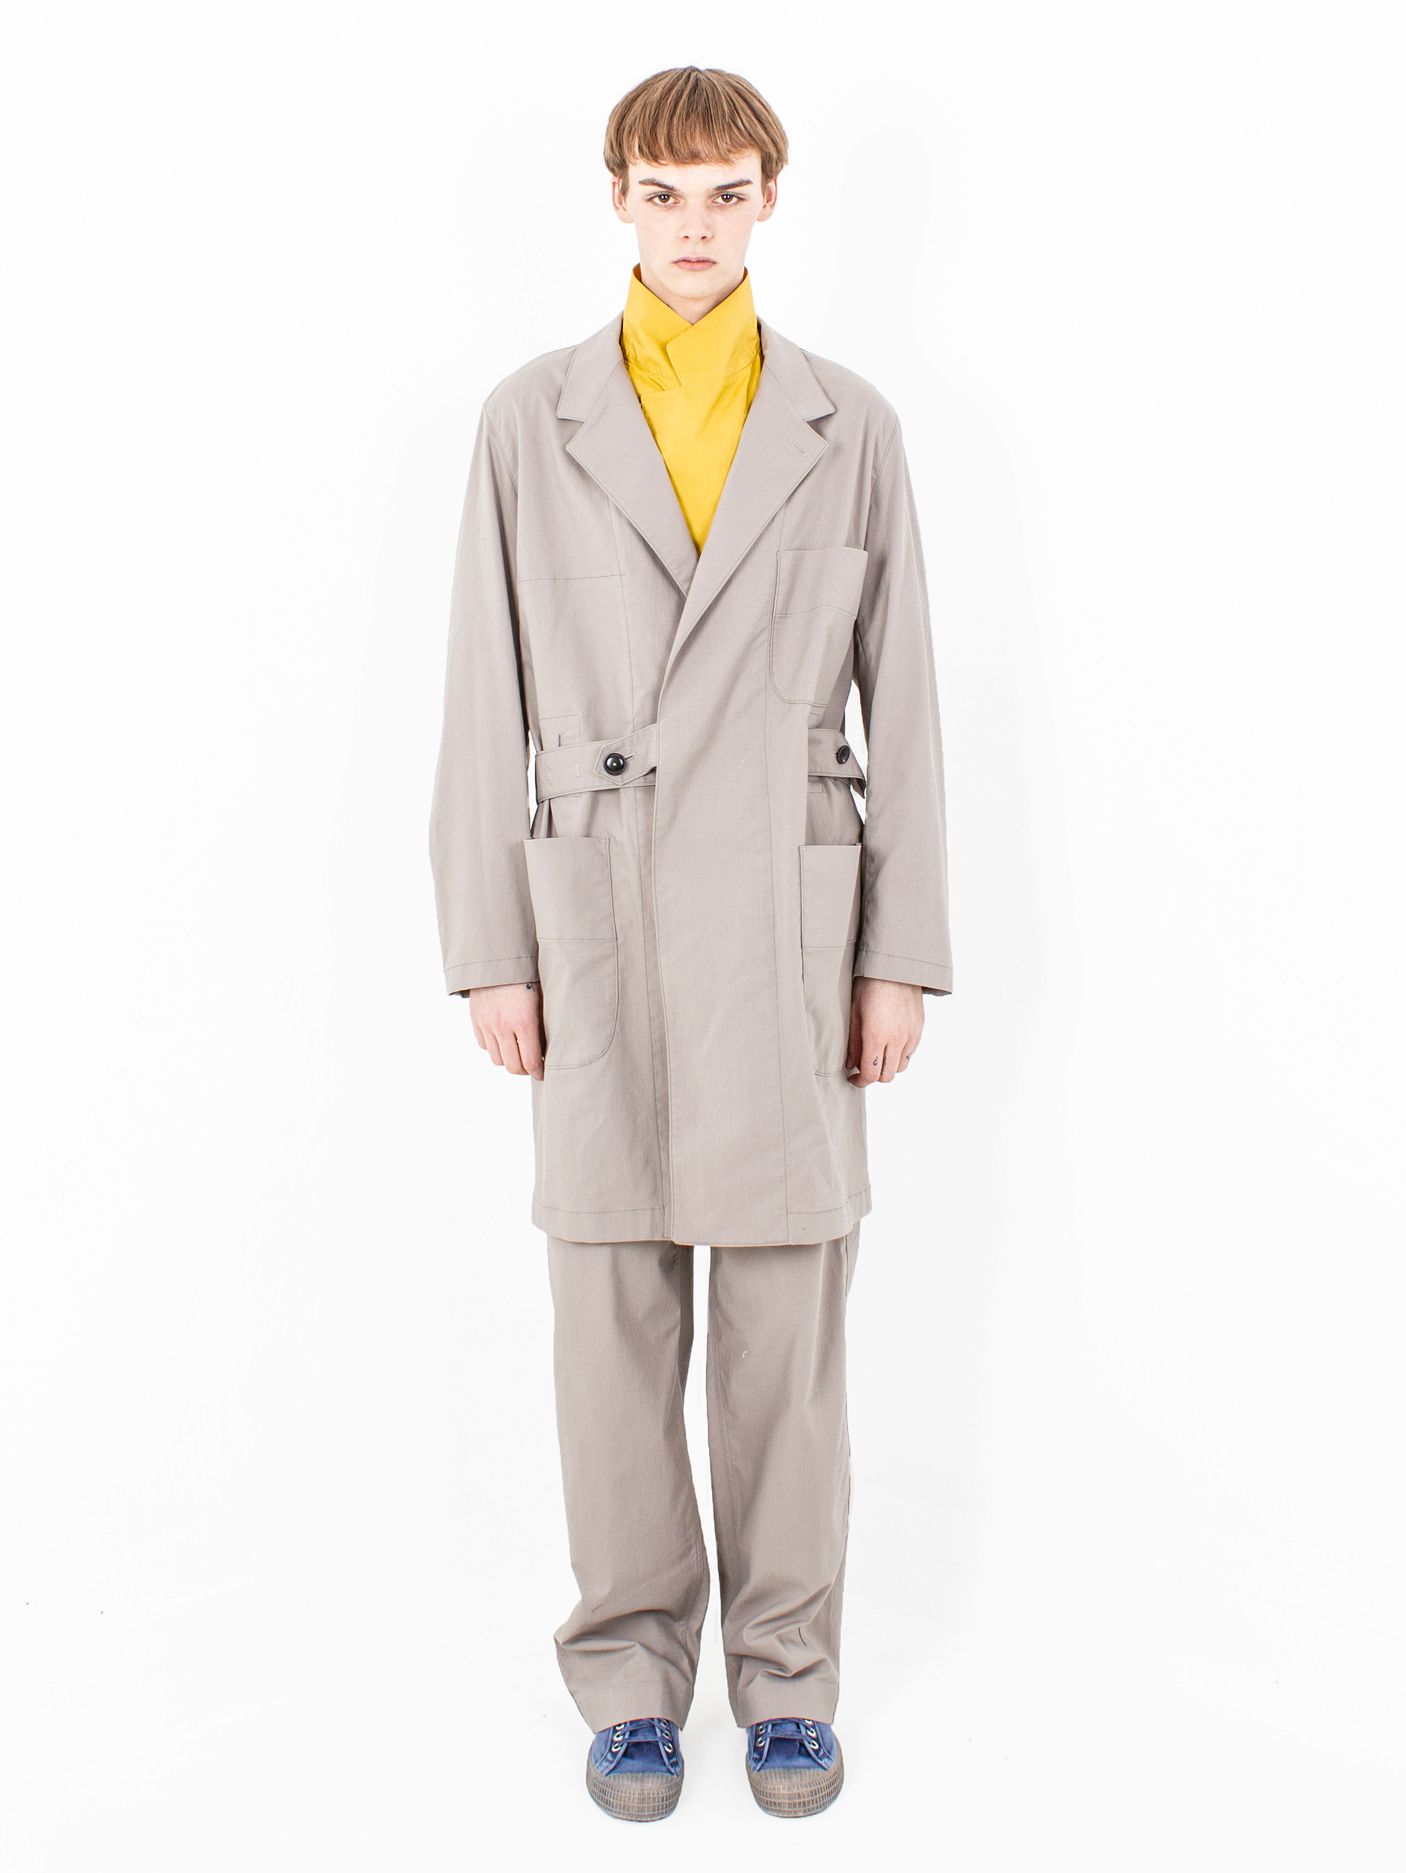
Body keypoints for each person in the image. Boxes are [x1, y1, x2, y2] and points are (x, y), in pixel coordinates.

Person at [429, 66, 951, 1822]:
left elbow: (908, 704)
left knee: (787, 1337)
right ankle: (631, 1670)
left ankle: (787, 1674)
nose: (695, 224)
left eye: (726, 190)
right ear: (617, 201)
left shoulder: (847, 422)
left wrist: (896, 954)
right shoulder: (531, 419)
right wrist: (491, 946)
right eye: (663, 192)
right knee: (610, 1324)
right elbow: (481, 696)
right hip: (597, 913)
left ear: (769, 200)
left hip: (793, 921)